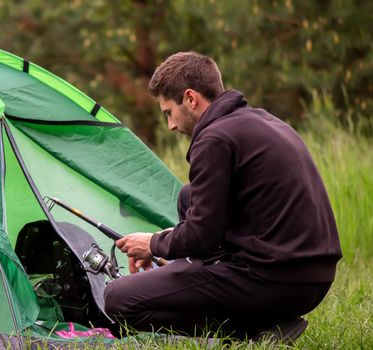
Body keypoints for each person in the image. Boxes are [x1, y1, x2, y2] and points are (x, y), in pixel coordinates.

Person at [103, 52, 342, 341]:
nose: (171, 126)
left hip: (277, 279)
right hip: (314, 276)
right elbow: (219, 216)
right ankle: (257, 313)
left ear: (190, 99)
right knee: (188, 197)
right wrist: (175, 239)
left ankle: (257, 330)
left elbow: (202, 236)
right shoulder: (261, 121)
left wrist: (152, 244)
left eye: (168, 112)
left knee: (118, 298)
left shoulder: (215, 139)